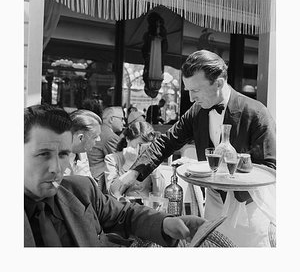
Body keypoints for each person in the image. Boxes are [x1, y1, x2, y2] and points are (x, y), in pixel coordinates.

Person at [115, 50, 276, 247]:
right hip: (214, 202)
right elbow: (167, 141)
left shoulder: (256, 112)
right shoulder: (197, 111)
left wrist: (232, 167)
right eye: (188, 90)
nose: (191, 98)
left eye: (196, 91)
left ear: (219, 82)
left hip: (248, 207)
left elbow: (269, 168)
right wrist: (133, 173)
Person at [24, 104, 210, 247]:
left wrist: (165, 223)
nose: (56, 168)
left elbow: (125, 213)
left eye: (63, 154)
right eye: (43, 154)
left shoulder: (81, 190)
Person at [105, 121, 164, 201]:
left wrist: (154, 171)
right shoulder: (112, 159)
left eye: (147, 146)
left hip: (146, 207)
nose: (142, 150)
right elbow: (113, 194)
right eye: (139, 145)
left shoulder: (149, 159)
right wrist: (128, 165)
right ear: (128, 139)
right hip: (123, 207)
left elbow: (159, 194)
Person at [86, 106, 125, 191]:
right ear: (111, 119)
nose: (124, 122)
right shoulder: (110, 137)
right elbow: (120, 162)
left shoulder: (101, 130)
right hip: (99, 182)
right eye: (122, 119)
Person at [64, 109, 101, 178]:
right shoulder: (54, 155)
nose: (99, 139)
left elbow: (89, 182)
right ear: (80, 138)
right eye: (95, 137)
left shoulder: (82, 151)